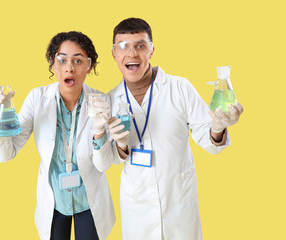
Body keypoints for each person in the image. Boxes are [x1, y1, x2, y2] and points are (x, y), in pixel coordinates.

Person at [91, 18, 244, 240]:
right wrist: (118, 144)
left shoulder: (180, 88)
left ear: (151, 50)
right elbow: (107, 161)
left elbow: (208, 139)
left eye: (140, 45)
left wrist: (217, 127)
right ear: (114, 53)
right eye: (123, 46)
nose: (132, 53)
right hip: (137, 210)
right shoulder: (110, 100)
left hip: (179, 206)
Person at [0, 31, 115, 240]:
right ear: (53, 65)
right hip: (54, 201)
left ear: (88, 66)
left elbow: (103, 164)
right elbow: (6, 154)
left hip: (90, 200)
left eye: (78, 60)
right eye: (61, 60)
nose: (69, 67)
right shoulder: (37, 99)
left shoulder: (101, 101)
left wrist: (100, 130)